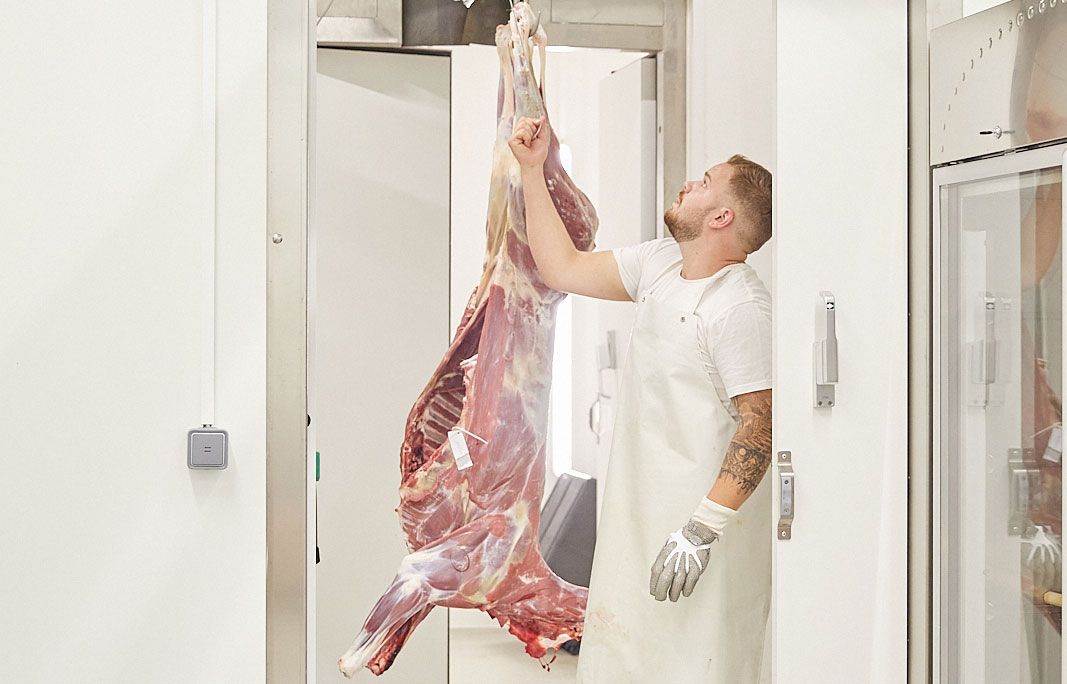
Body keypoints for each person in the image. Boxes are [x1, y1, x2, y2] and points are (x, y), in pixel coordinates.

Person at [508, 114, 774, 683]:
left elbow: (762, 426)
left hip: (698, 538)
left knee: (695, 666)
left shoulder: (740, 308)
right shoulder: (658, 266)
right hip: (636, 524)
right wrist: (534, 170)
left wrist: (700, 531)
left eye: (703, 182)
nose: (687, 185)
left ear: (722, 217)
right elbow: (563, 268)